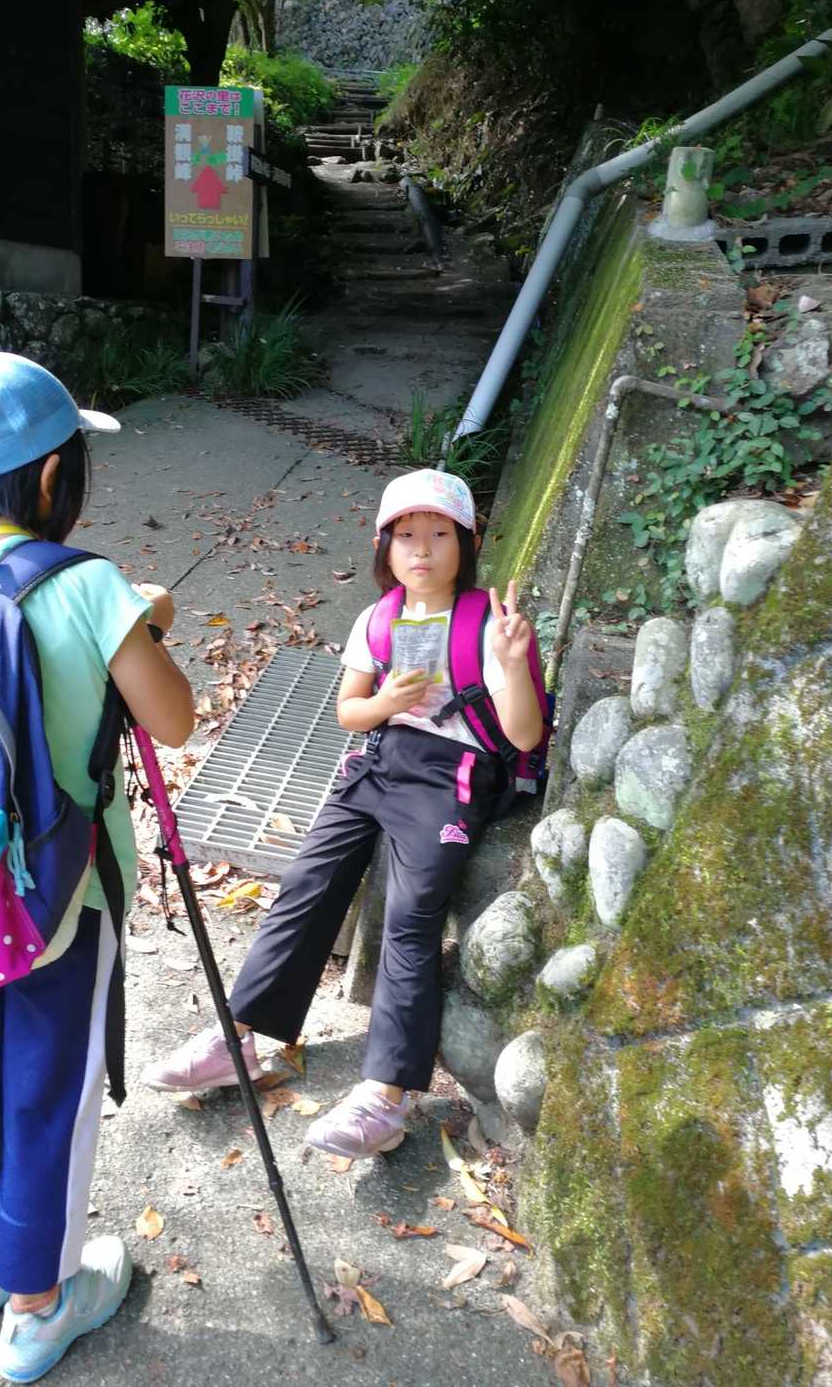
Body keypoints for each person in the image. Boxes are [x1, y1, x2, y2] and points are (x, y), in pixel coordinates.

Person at [0, 353, 194, 1382]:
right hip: (58, 903)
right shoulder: (89, 587)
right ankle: (36, 1306)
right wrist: (144, 620)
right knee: (46, 1091)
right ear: (48, 477)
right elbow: (173, 717)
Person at [142, 468, 543, 1158]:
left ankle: (386, 1096)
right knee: (307, 883)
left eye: (440, 534)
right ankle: (238, 1038)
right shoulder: (377, 619)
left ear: (469, 543)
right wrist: (388, 703)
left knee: (411, 920)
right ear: (384, 547)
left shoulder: (487, 623)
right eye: (406, 536)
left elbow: (525, 736)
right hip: (380, 760)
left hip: (452, 777)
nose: (422, 550)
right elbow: (350, 713)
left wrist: (512, 661)